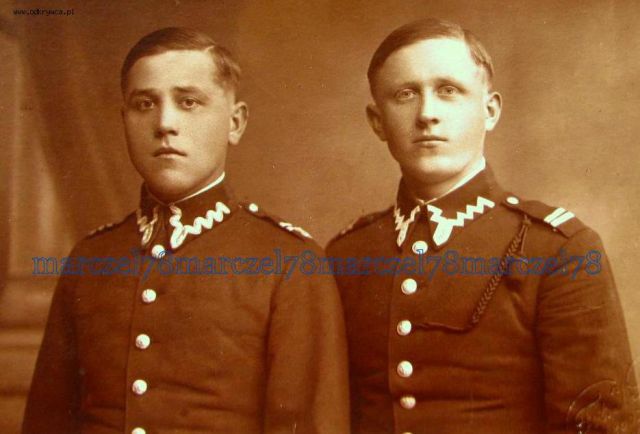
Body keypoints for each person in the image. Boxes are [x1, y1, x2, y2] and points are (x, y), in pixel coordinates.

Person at [23, 27, 349, 434]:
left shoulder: (290, 264)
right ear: (124, 121)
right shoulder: (90, 259)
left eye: (188, 102)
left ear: (235, 123)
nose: (164, 123)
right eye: (145, 104)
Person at [327, 18, 638, 434]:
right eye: (405, 94)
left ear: (489, 111)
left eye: (448, 90)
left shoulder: (560, 250)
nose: (427, 114)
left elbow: (601, 424)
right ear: (377, 121)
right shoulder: (346, 256)